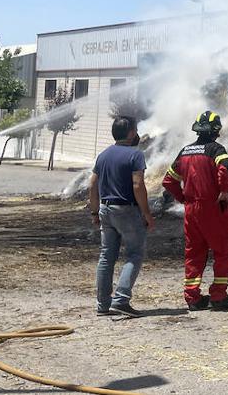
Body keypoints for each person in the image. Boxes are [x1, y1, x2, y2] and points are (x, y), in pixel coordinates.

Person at [162, 110, 228, 311]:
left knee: (194, 253)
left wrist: (183, 199)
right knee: (224, 250)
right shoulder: (216, 149)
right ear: (216, 130)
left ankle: (193, 298)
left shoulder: (185, 151)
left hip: (191, 211)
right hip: (213, 208)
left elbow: (168, 180)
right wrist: (224, 191)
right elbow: (225, 166)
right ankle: (218, 296)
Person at [87, 116, 155, 318]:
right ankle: (121, 299)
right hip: (127, 210)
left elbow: (92, 185)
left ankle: (103, 305)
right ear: (132, 133)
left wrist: (94, 211)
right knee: (135, 254)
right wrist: (147, 213)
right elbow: (138, 185)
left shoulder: (103, 155)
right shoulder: (135, 155)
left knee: (106, 257)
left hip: (105, 210)